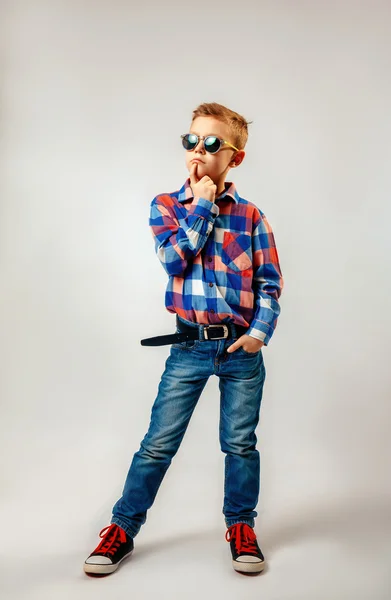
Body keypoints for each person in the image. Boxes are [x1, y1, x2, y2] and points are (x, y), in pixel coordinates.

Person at [83, 102, 284, 577]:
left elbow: (270, 281)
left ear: (234, 157)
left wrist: (258, 333)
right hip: (189, 348)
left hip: (240, 350)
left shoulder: (252, 217)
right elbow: (175, 260)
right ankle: (122, 528)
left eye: (212, 143)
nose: (198, 149)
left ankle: (241, 526)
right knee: (157, 444)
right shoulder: (167, 206)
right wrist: (202, 204)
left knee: (240, 444)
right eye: (191, 140)